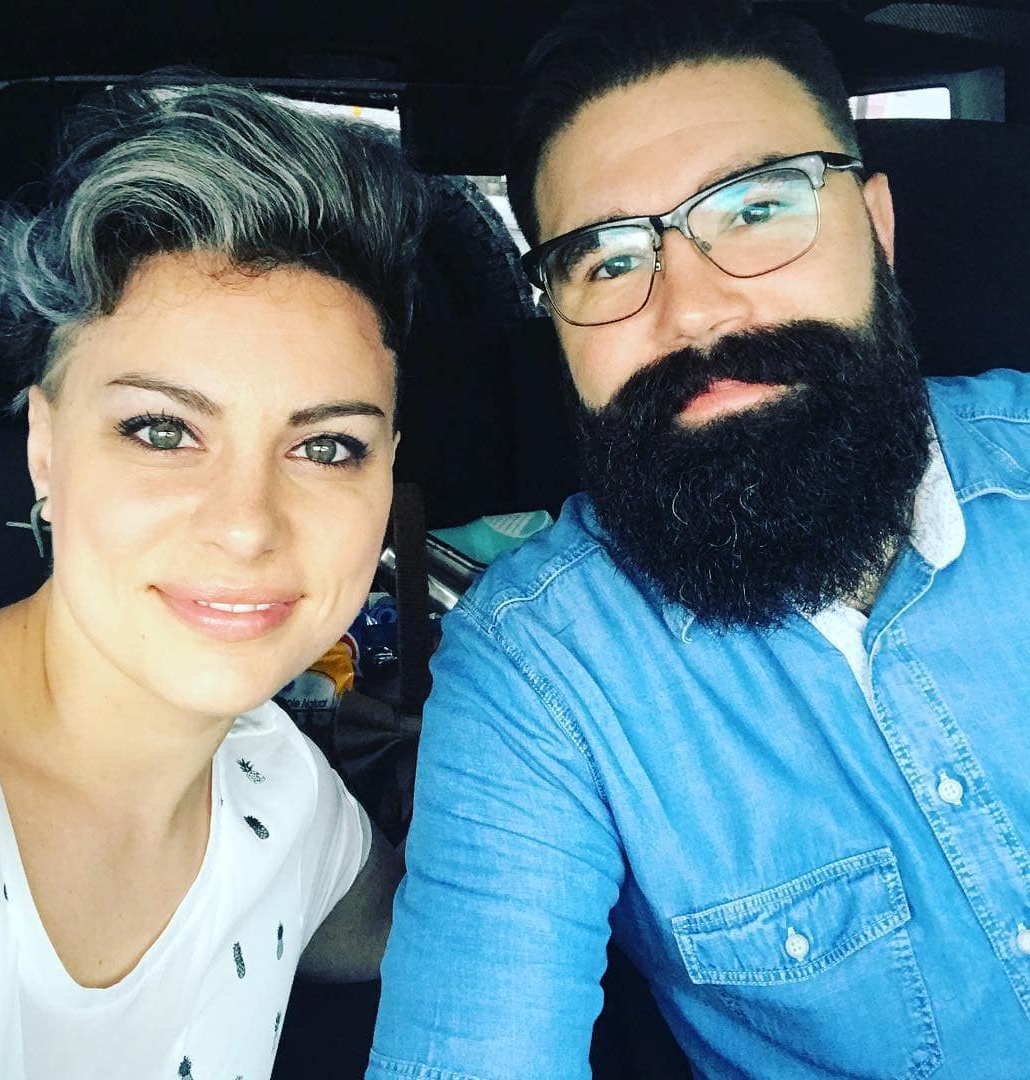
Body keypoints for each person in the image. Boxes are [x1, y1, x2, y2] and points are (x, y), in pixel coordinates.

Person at [368, 3, 1029, 1078]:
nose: (694, 311)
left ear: (878, 230)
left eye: (758, 208)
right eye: (606, 259)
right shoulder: (537, 675)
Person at [0, 81, 427, 1078]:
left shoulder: (285, 796)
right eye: (162, 431)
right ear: (45, 446)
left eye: (328, 447)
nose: (246, 525)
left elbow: (437, 928)